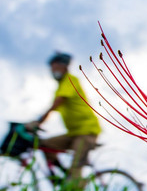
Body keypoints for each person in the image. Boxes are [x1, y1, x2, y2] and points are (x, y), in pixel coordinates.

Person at [27, 51, 101, 183]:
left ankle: (74, 186)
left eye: (54, 66)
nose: (52, 70)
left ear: (63, 66)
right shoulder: (61, 85)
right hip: (74, 133)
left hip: (87, 131)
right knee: (44, 145)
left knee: (76, 166)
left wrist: (38, 122)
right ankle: (66, 178)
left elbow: (56, 104)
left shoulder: (70, 80)